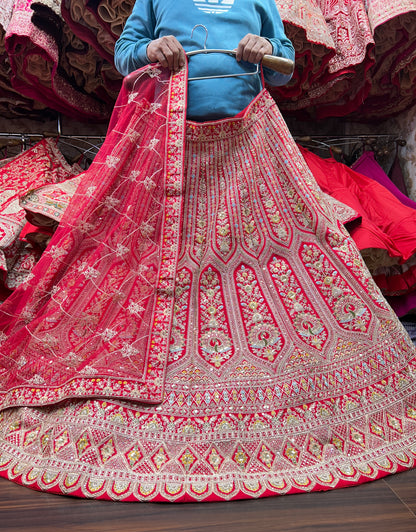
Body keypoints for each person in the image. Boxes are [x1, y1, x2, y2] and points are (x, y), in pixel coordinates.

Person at [0, 1, 415, 503]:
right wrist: (153, 50)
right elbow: (127, 56)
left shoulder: (257, 1)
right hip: (172, 148)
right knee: (165, 262)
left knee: (266, 258)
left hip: (246, 149)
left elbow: (281, 70)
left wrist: (267, 51)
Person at [114, 0, 295, 120]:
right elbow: (123, 54)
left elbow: (284, 71)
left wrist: (268, 47)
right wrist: (150, 49)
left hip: (247, 131)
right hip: (170, 131)